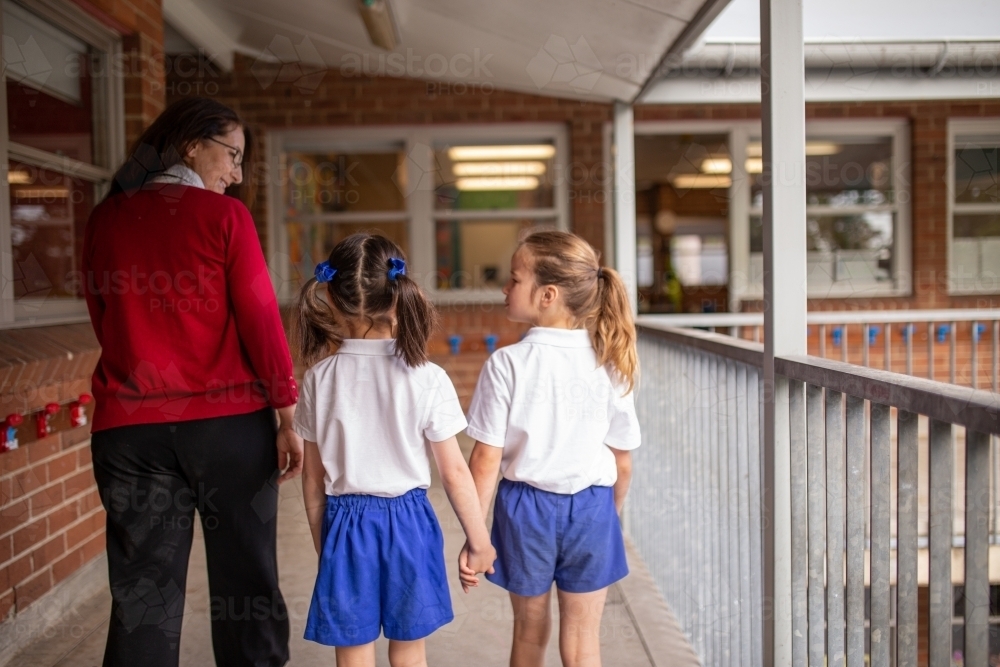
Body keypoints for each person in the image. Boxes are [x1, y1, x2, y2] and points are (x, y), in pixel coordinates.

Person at [83, 96, 302, 667]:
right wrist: (286, 413)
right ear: (190, 145)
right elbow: (260, 319)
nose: (236, 173)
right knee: (246, 585)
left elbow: (103, 315)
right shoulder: (224, 218)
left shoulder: (106, 217)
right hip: (226, 430)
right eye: (231, 155)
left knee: (143, 597)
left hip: (129, 433)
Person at [292, 233, 496, 667]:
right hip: (410, 525)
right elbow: (455, 474)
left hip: (345, 526)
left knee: (352, 653)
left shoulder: (318, 379)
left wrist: (325, 545)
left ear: (330, 295)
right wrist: (479, 542)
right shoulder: (427, 377)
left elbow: (312, 481)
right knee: (409, 653)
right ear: (399, 293)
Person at [460, 230, 641, 667]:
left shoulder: (506, 363)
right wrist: (609, 516)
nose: (505, 288)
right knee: (583, 643)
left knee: (528, 633)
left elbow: (485, 461)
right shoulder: (610, 360)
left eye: (514, 279)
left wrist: (476, 537)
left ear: (548, 295)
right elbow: (623, 461)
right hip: (593, 507)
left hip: (525, 512)